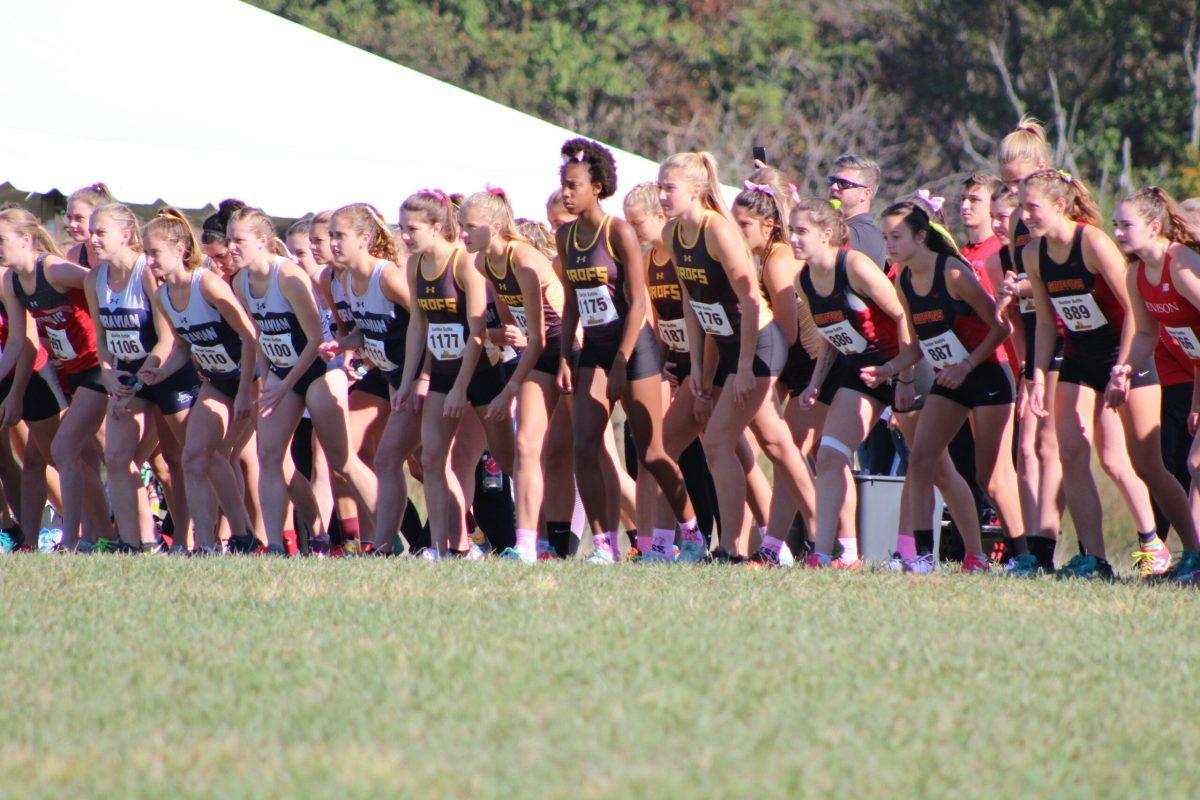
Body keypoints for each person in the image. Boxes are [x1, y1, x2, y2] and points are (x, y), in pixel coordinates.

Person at [1021, 169, 1190, 579]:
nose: (1024, 215)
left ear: (1059, 206)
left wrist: (1124, 367)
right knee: (1071, 451)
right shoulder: (1032, 254)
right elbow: (1046, 323)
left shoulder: (1093, 243)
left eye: (1032, 207)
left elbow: (1134, 309)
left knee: (1145, 464)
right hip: (1080, 359)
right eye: (1022, 207)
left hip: (1126, 357)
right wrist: (1037, 376)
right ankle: (1094, 560)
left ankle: (1189, 550)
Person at [659, 151, 814, 564]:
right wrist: (697, 368)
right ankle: (821, 540)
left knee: (719, 441)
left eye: (668, 188)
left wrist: (744, 366)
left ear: (696, 190)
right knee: (776, 446)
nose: (661, 196)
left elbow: (749, 300)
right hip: (724, 346)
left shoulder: (719, 231)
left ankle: (731, 548)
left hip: (759, 344)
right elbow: (693, 303)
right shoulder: (673, 234)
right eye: (659, 187)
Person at [556, 139, 701, 564]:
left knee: (652, 453)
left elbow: (638, 302)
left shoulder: (617, 231)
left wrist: (621, 361)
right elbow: (570, 303)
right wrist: (566, 355)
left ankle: (691, 533)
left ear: (597, 187)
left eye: (573, 185)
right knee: (585, 444)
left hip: (635, 350)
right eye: (563, 184)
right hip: (594, 350)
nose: (566, 192)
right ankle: (605, 545)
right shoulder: (565, 237)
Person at [230, 205, 379, 555]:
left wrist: (283, 385)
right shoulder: (241, 282)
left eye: (239, 241)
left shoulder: (289, 278)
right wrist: (267, 381)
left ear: (263, 241)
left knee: (341, 462)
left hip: (318, 370)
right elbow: (263, 335)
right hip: (283, 374)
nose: (232, 247)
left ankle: (388, 534)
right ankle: (277, 545)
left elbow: (315, 340)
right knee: (269, 456)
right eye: (230, 240)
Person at [884, 199, 1020, 573]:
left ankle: (1025, 554)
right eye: (885, 237)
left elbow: (1000, 327)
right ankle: (924, 556)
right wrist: (889, 370)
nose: (889, 245)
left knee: (987, 476)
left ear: (921, 236)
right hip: (950, 379)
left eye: (896, 236)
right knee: (922, 459)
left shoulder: (954, 273)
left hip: (988, 375)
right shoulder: (903, 280)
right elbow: (916, 347)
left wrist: (967, 365)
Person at [792, 196, 915, 568]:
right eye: (791, 231)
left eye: (801, 231)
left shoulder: (855, 265)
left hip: (904, 362)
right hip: (860, 371)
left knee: (931, 464)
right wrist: (815, 383)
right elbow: (832, 331)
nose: (793, 239)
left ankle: (980, 551)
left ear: (827, 234)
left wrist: (902, 375)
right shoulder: (804, 280)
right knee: (830, 456)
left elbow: (903, 314)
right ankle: (829, 554)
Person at [395, 190, 514, 558]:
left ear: (436, 227)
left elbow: (478, 331)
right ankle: (443, 549)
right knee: (431, 458)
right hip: (443, 376)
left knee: (508, 461)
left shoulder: (465, 264)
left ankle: (533, 540)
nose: (405, 237)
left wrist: (463, 387)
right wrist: (408, 381)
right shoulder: (415, 266)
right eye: (401, 229)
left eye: (412, 229)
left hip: (480, 374)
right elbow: (418, 326)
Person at [462, 187, 571, 562]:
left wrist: (509, 389)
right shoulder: (483, 264)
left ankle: (634, 538)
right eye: (460, 226)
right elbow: (515, 322)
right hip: (538, 355)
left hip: (570, 350)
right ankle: (528, 544)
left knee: (591, 452)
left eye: (469, 227)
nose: (462, 234)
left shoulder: (523, 259)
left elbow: (540, 337)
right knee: (526, 446)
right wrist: (507, 333)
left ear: (494, 227)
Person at [84, 203, 199, 552]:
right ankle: (134, 544)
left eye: (100, 231)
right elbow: (102, 339)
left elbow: (169, 339)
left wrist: (146, 376)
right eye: (91, 231)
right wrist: (109, 373)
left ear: (126, 235)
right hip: (130, 377)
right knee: (118, 458)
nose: (92, 238)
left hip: (168, 372)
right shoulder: (94, 279)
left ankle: (191, 541)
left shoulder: (145, 273)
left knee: (180, 460)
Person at [147, 209, 258, 554]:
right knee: (195, 455)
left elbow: (250, 336)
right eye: (146, 253)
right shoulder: (164, 295)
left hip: (249, 379)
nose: (148, 260)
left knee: (225, 455)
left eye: (154, 253)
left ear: (179, 250)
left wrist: (243, 393)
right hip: (215, 380)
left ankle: (250, 534)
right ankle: (208, 545)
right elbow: (182, 346)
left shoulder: (205, 283)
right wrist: (159, 372)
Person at [0, 208, 111, 551]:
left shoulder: (54, 269)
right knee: (38, 459)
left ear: (26, 239)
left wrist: (114, 338)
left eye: (1, 240)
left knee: (89, 454)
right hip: (69, 372)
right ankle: (33, 543)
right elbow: (18, 341)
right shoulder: (12, 280)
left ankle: (88, 538)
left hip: (97, 368)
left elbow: (100, 282)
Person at [1106, 186, 1200, 581]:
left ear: (1155, 226)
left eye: (1126, 225)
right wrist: (1124, 369)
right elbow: (1145, 333)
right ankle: (1194, 558)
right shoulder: (1135, 273)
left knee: (1196, 462)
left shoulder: (1181, 264)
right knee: (1193, 464)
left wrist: (1197, 398)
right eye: (1115, 225)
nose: (1118, 233)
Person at [324, 203, 428, 555]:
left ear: (365, 239)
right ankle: (390, 546)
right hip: (393, 379)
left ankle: (462, 540)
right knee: (414, 464)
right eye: (331, 236)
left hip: (418, 380)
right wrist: (343, 343)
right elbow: (368, 333)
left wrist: (422, 378)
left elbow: (425, 322)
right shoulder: (348, 280)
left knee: (408, 462)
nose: (333, 242)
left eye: (340, 235)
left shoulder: (387, 276)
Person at [994, 117, 1064, 574]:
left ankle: (1047, 548)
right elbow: (1024, 306)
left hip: (1067, 336)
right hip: (1036, 338)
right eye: (1008, 185)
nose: (1016, 194)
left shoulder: (1057, 212)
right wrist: (1024, 370)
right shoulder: (1019, 223)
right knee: (1026, 448)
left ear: (1043, 169)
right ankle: (1029, 552)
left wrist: (1023, 289)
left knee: (1048, 445)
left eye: (1020, 182)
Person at [829, 155, 886, 269]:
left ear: (865, 193)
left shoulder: (863, 234)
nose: (834, 187)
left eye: (843, 183)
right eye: (832, 181)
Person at [63, 183, 114, 269]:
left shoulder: (115, 254)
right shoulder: (74, 255)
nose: (71, 224)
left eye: (79, 218)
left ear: (98, 217)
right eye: (69, 217)